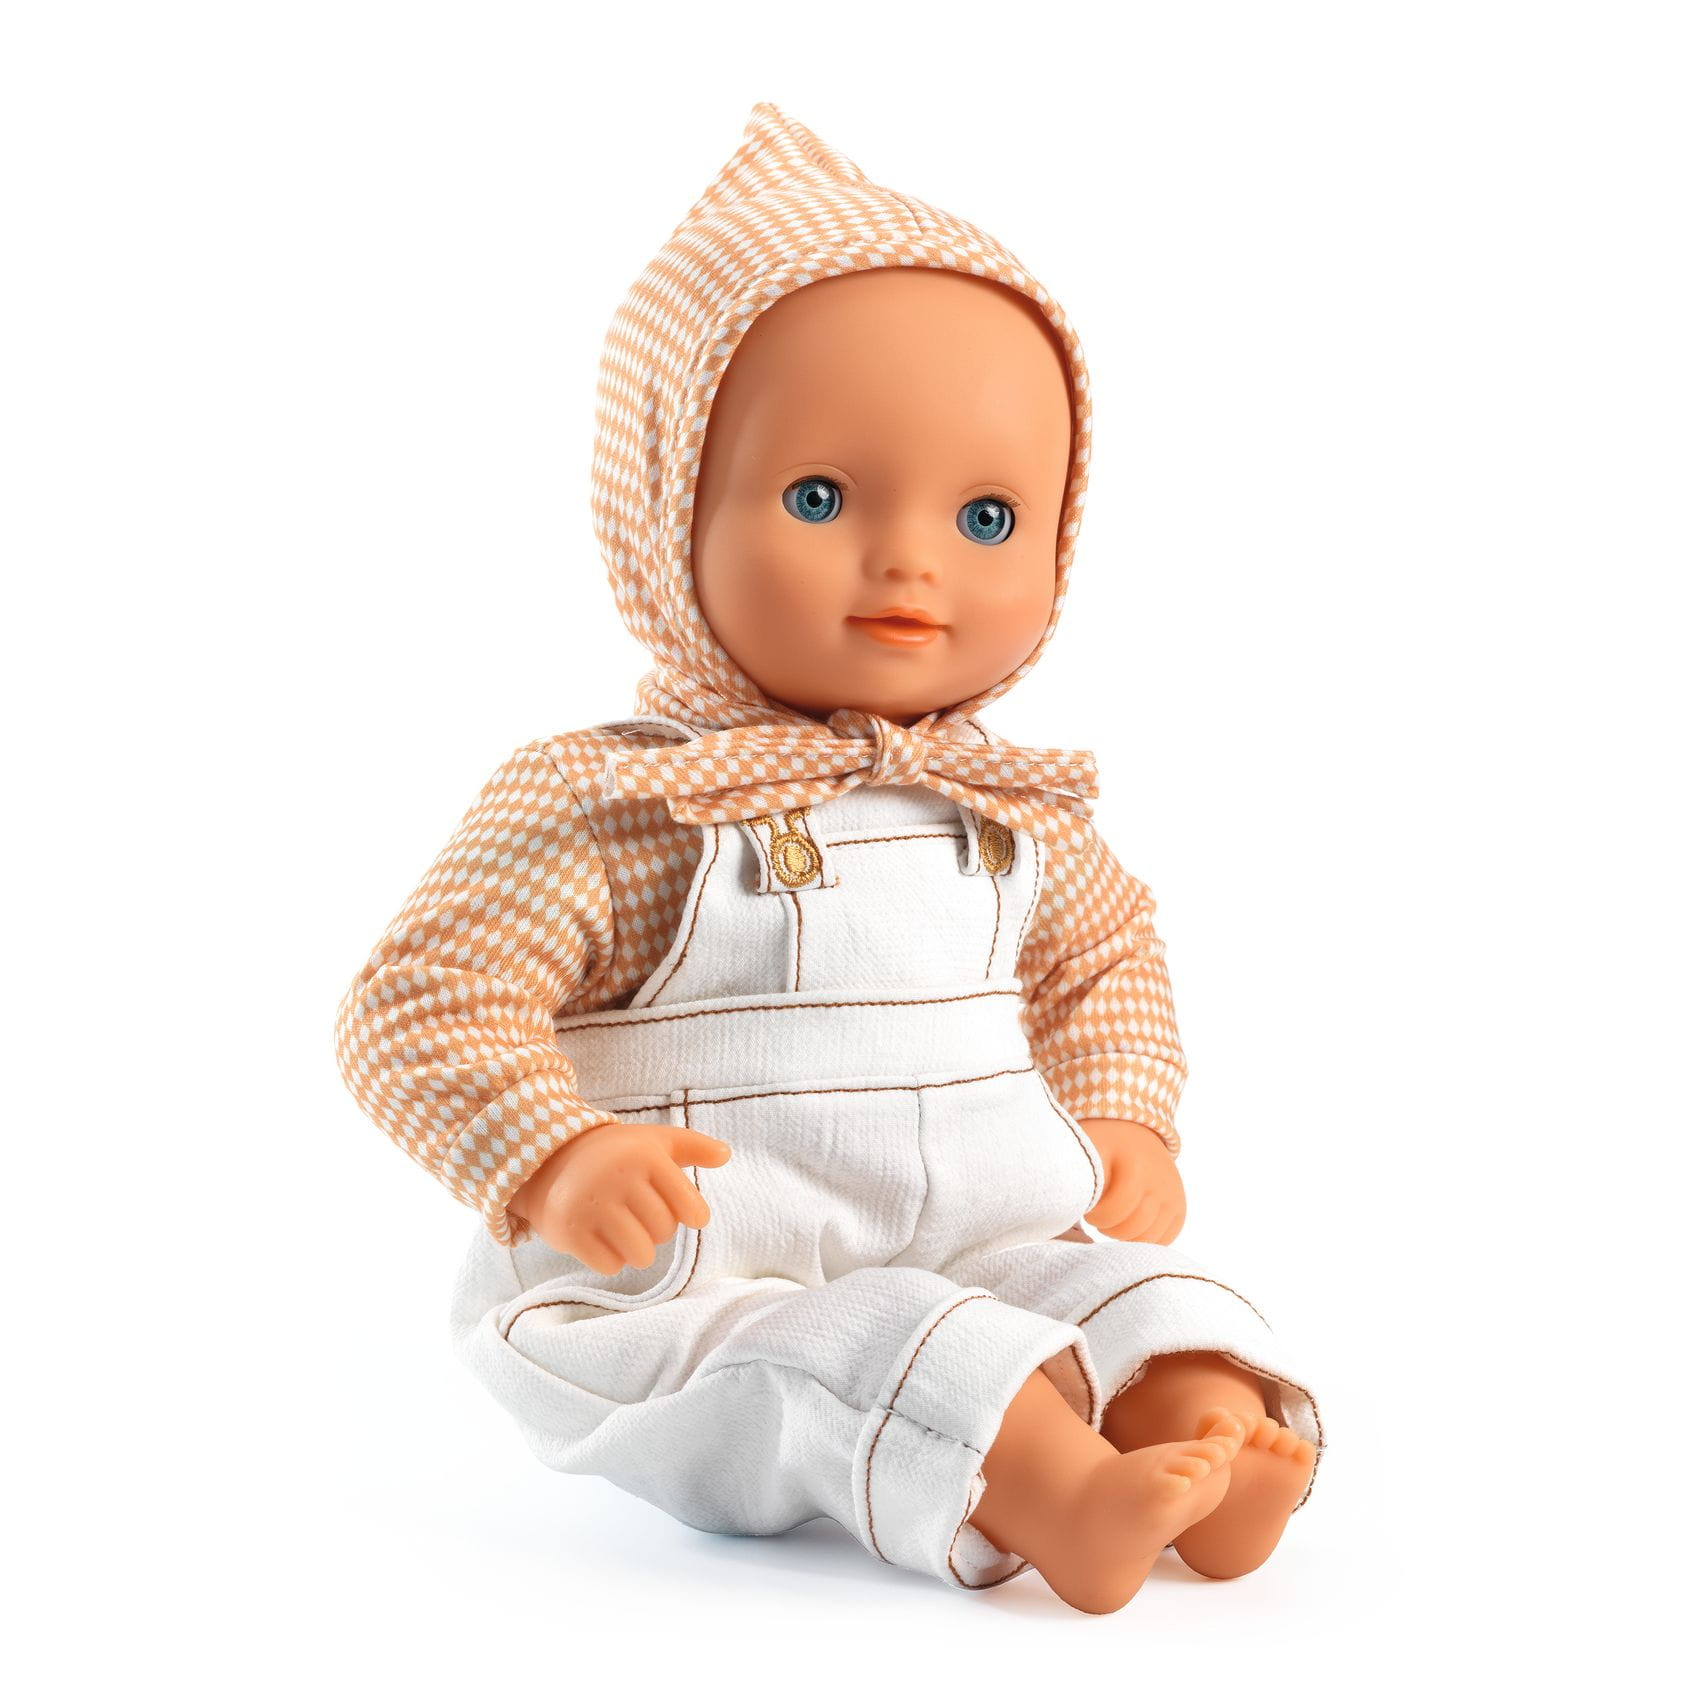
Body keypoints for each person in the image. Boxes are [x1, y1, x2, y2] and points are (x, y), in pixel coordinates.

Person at [335, 103, 1321, 1615]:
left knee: (1116, 1291)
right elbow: (419, 1002)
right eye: (820, 498)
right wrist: (552, 1152)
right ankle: (1058, 1495)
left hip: (979, 1233)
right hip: (694, 1282)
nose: (914, 559)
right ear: (667, 506)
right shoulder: (620, 801)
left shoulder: (1005, 808)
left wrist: (1127, 1112)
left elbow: (1106, 955)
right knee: (851, 1354)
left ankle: (1199, 1424)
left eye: (986, 515)